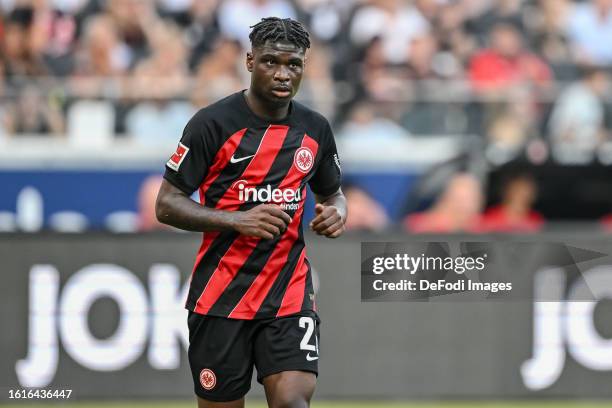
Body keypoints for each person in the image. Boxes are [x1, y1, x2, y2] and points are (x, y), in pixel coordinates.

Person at [155, 17, 347, 408]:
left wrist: (336, 212)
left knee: (293, 403)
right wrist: (237, 220)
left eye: (293, 65)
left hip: (288, 295)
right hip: (220, 297)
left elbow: (334, 194)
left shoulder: (315, 129)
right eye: (270, 62)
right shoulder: (212, 124)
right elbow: (166, 203)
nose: (282, 74)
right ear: (249, 61)